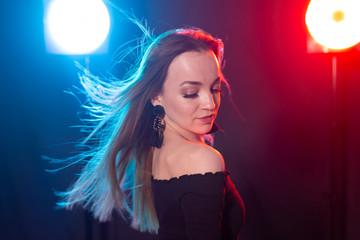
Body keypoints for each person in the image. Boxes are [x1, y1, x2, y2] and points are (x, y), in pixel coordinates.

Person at [58, 22, 245, 240]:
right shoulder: (202, 160)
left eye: (215, 88)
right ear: (156, 96)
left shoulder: (156, 151)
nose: (210, 103)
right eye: (191, 93)